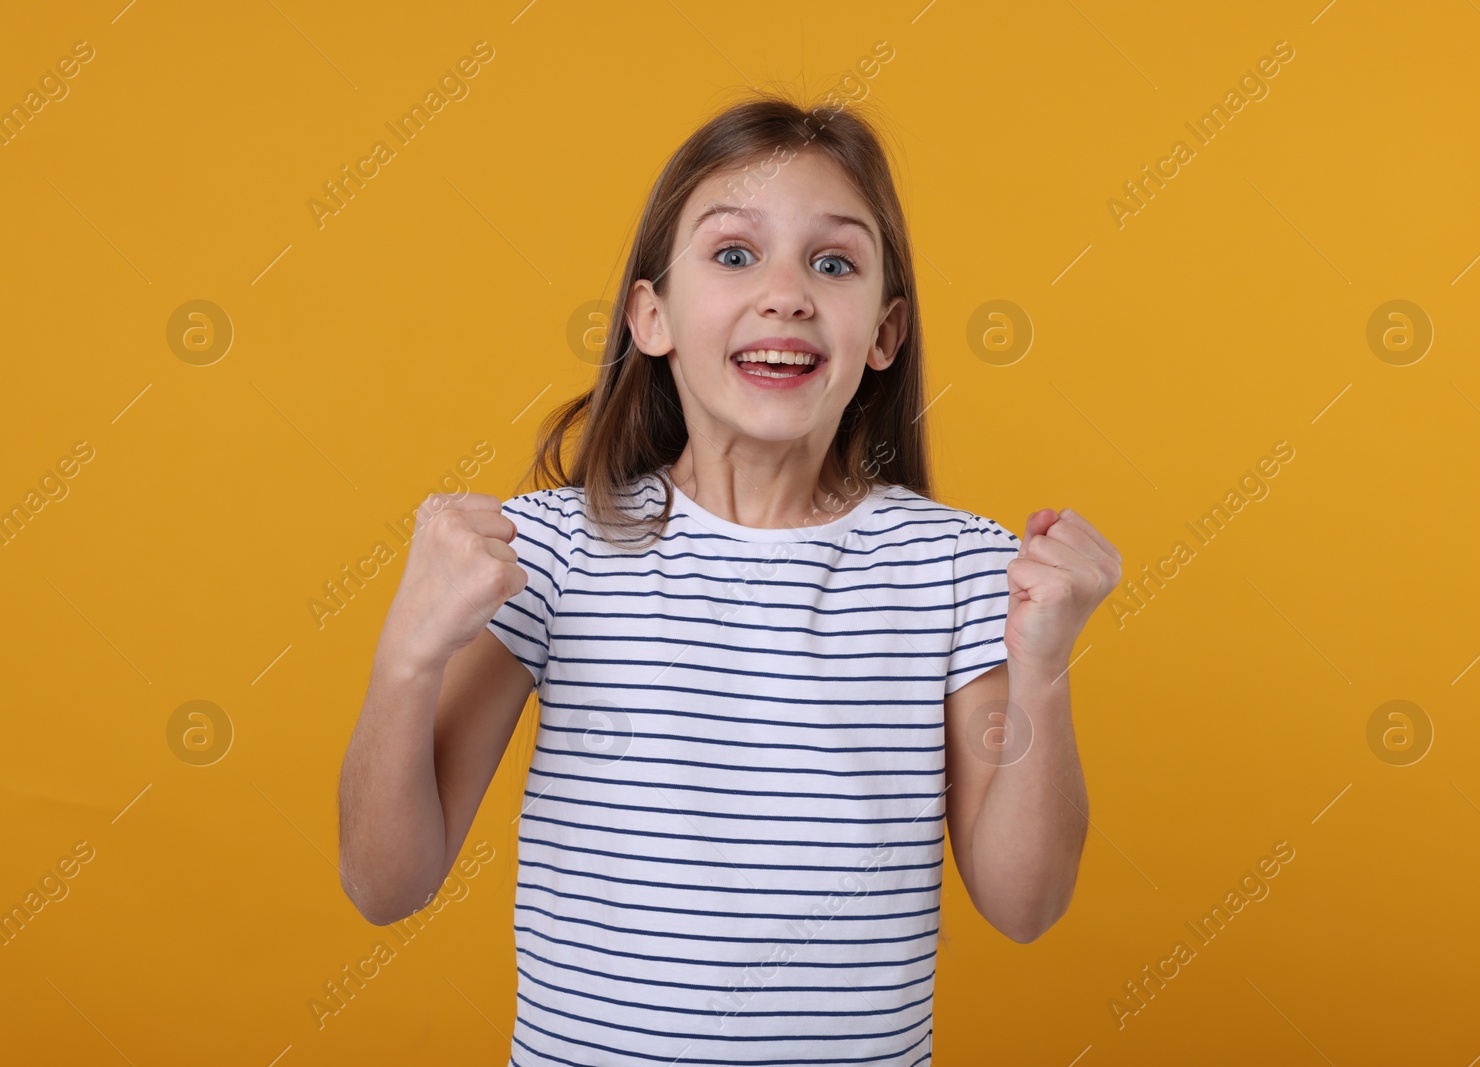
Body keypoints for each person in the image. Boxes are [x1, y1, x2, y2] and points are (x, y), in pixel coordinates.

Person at [338, 92, 1121, 1066]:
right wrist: (406, 657)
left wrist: (1042, 663)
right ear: (652, 315)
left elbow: (1025, 902)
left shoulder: (955, 567)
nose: (786, 291)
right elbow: (386, 883)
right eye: (735, 253)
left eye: (832, 262)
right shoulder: (551, 553)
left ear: (883, 334)